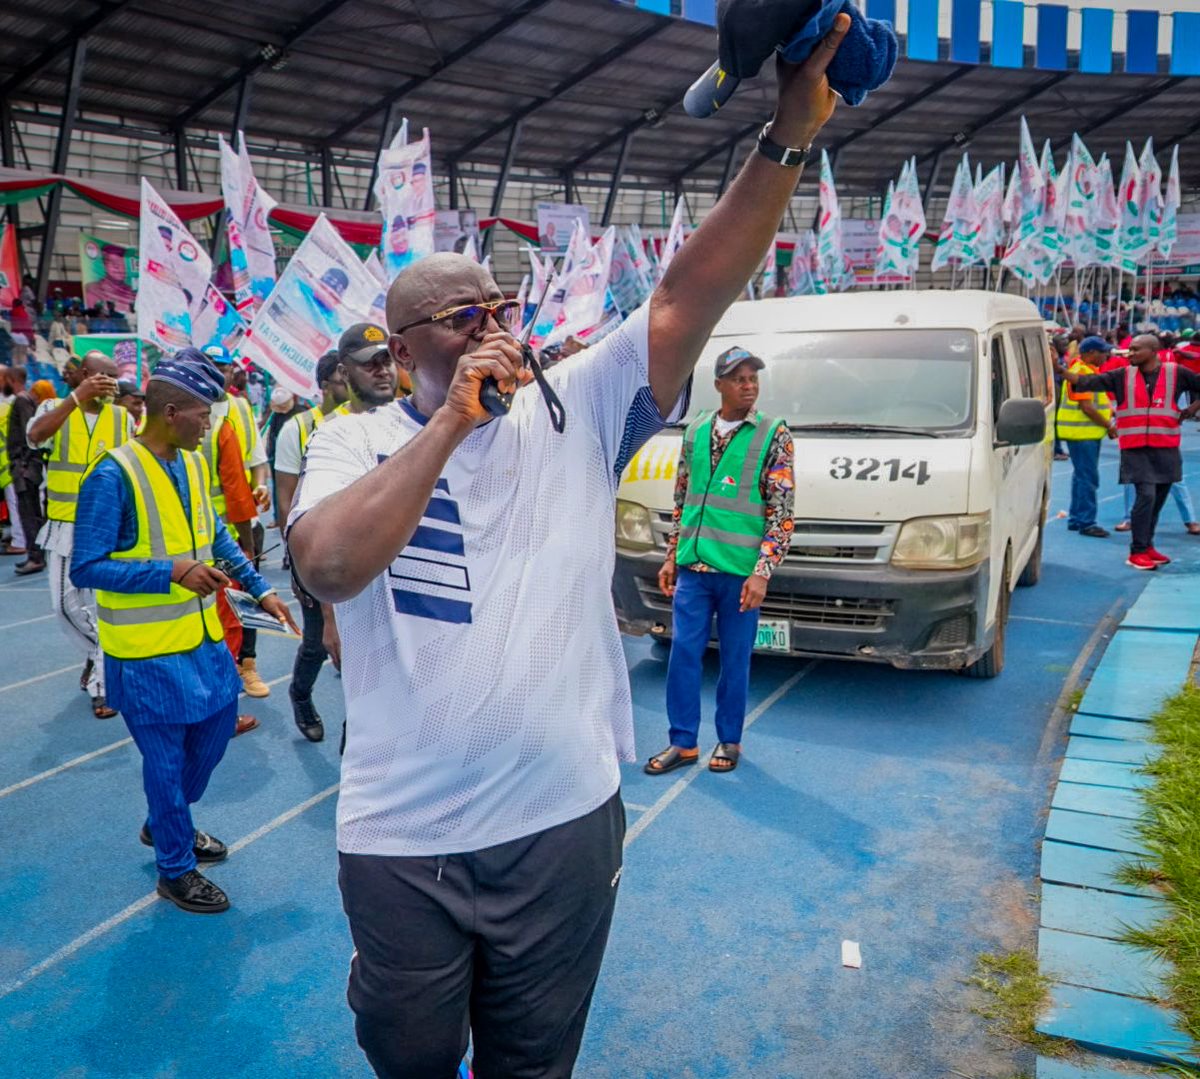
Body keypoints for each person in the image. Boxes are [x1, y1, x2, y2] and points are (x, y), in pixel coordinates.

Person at [287, 16, 848, 1075]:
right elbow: (329, 565)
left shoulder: (578, 405)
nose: (493, 325)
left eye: (501, 305)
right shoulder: (351, 441)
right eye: (462, 317)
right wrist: (452, 421)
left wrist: (786, 134)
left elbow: (687, 291)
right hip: (403, 841)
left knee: (533, 1062)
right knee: (407, 1056)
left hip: (560, 822)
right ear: (403, 350)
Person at [70, 351, 297, 914]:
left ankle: (164, 819)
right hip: (144, 654)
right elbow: (86, 567)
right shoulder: (112, 475)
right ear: (170, 412)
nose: (212, 424)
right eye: (204, 414)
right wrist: (169, 572)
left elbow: (215, 535)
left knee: (218, 731)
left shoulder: (193, 464)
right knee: (166, 765)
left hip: (202, 642)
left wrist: (257, 588)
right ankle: (175, 869)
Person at [645, 347, 794, 776]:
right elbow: (682, 498)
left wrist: (762, 573)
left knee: (735, 660)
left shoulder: (773, 434)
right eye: (739, 378)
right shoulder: (695, 432)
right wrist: (672, 555)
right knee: (683, 656)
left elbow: (783, 514)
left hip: (740, 575)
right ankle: (683, 743)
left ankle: (729, 740)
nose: (749, 385)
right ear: (719, 385)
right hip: (694, 569)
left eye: (753, 378)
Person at [26, 350, 131, 718]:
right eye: (104, 376)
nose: (111, 384)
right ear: (85, 374)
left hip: (108, 528)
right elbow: (35, 437)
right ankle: (99, 655)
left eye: (114, 378)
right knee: (65, 607)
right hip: (64, 526)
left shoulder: (122, 417)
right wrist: (76, 398)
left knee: (103, 607)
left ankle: (102, 684)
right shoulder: (55, 407)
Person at [1063, 333, 1200, 570]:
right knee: (1145, 496)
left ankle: (1147, 546)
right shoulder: (1122, 375)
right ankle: (1136, 551)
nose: (1130, 353)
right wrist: (1058, 368)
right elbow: (1084, 382)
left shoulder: (1176, 373)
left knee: (1157, 500)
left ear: (1152, 351)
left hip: (1166, 447)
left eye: (1136, 349)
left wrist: (1191, 409)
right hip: (1135, 448)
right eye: (1130, 349)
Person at [272, 348, 352, 742]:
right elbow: (287, 506)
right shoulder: (297, 429)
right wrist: (304, 562)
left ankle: (357, 727)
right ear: (323, 386)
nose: (350, 385)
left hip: (360, 550)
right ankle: (300, 695)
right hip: (316, 554)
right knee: (319, 639)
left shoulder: (367, 421)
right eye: (341, 379)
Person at [202, 345, 272, 698]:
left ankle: (248, 664)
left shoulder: (241, 408)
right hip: (203, 529)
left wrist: (259, 485)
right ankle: (219, 672)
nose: (222, 372)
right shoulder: (193, 409)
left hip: (242, 522)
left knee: (249, 601)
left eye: (226, 366)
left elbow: (256, 459)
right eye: (214, 365)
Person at [1056, 335, 1115, 539]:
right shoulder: (1081, 372)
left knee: (1080, 476)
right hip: (1083, 433)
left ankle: (1076, 518)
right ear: (1090, 353)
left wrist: (1110, 412)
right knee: (1088, 478)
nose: (1106, 356)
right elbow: (1087, 407)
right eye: (1103, 352)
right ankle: (1086, 522)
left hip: (1084, 432)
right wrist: (1109, 425)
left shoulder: (1086, 370)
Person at [5, 366, 46, 575]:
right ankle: (35, 554)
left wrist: (23, 465)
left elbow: (29, 434)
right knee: (30, 513)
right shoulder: (25, 399)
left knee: (29, 513)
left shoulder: (21, 400)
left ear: (10, 379)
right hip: (27, 466)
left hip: (25, 467)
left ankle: (36, 556)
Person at [0, 368, 26, 556]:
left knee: (17, 504)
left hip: (9, 465)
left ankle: (20, 540)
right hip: (11, 464)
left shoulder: (10, 404)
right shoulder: (11, 403)